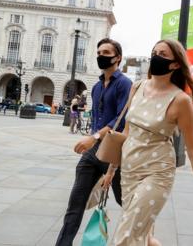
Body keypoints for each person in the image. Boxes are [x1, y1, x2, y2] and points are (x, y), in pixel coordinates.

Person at [102, 39, 193, 246]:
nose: (155, 57)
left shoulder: (181, 101)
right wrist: (111, 171)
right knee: (141, 235)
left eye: (162, 54)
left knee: (126, 235)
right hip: (129, 171)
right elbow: (126, 133)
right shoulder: (136, 88)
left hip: (157, 172)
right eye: (154, 52)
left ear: (175, 64)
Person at [56, 38, 132, 246]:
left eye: (106, 52)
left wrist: (95, 137)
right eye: (99, 52)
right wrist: (93, 137)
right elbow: (97, 118)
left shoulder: (125, 84)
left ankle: (142, 234)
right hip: (93, 153)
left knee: (124, 201)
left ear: (118, 58)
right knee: (75, 204)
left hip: (113, 152)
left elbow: (121, 119)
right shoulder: (97, 86)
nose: (101, 56)